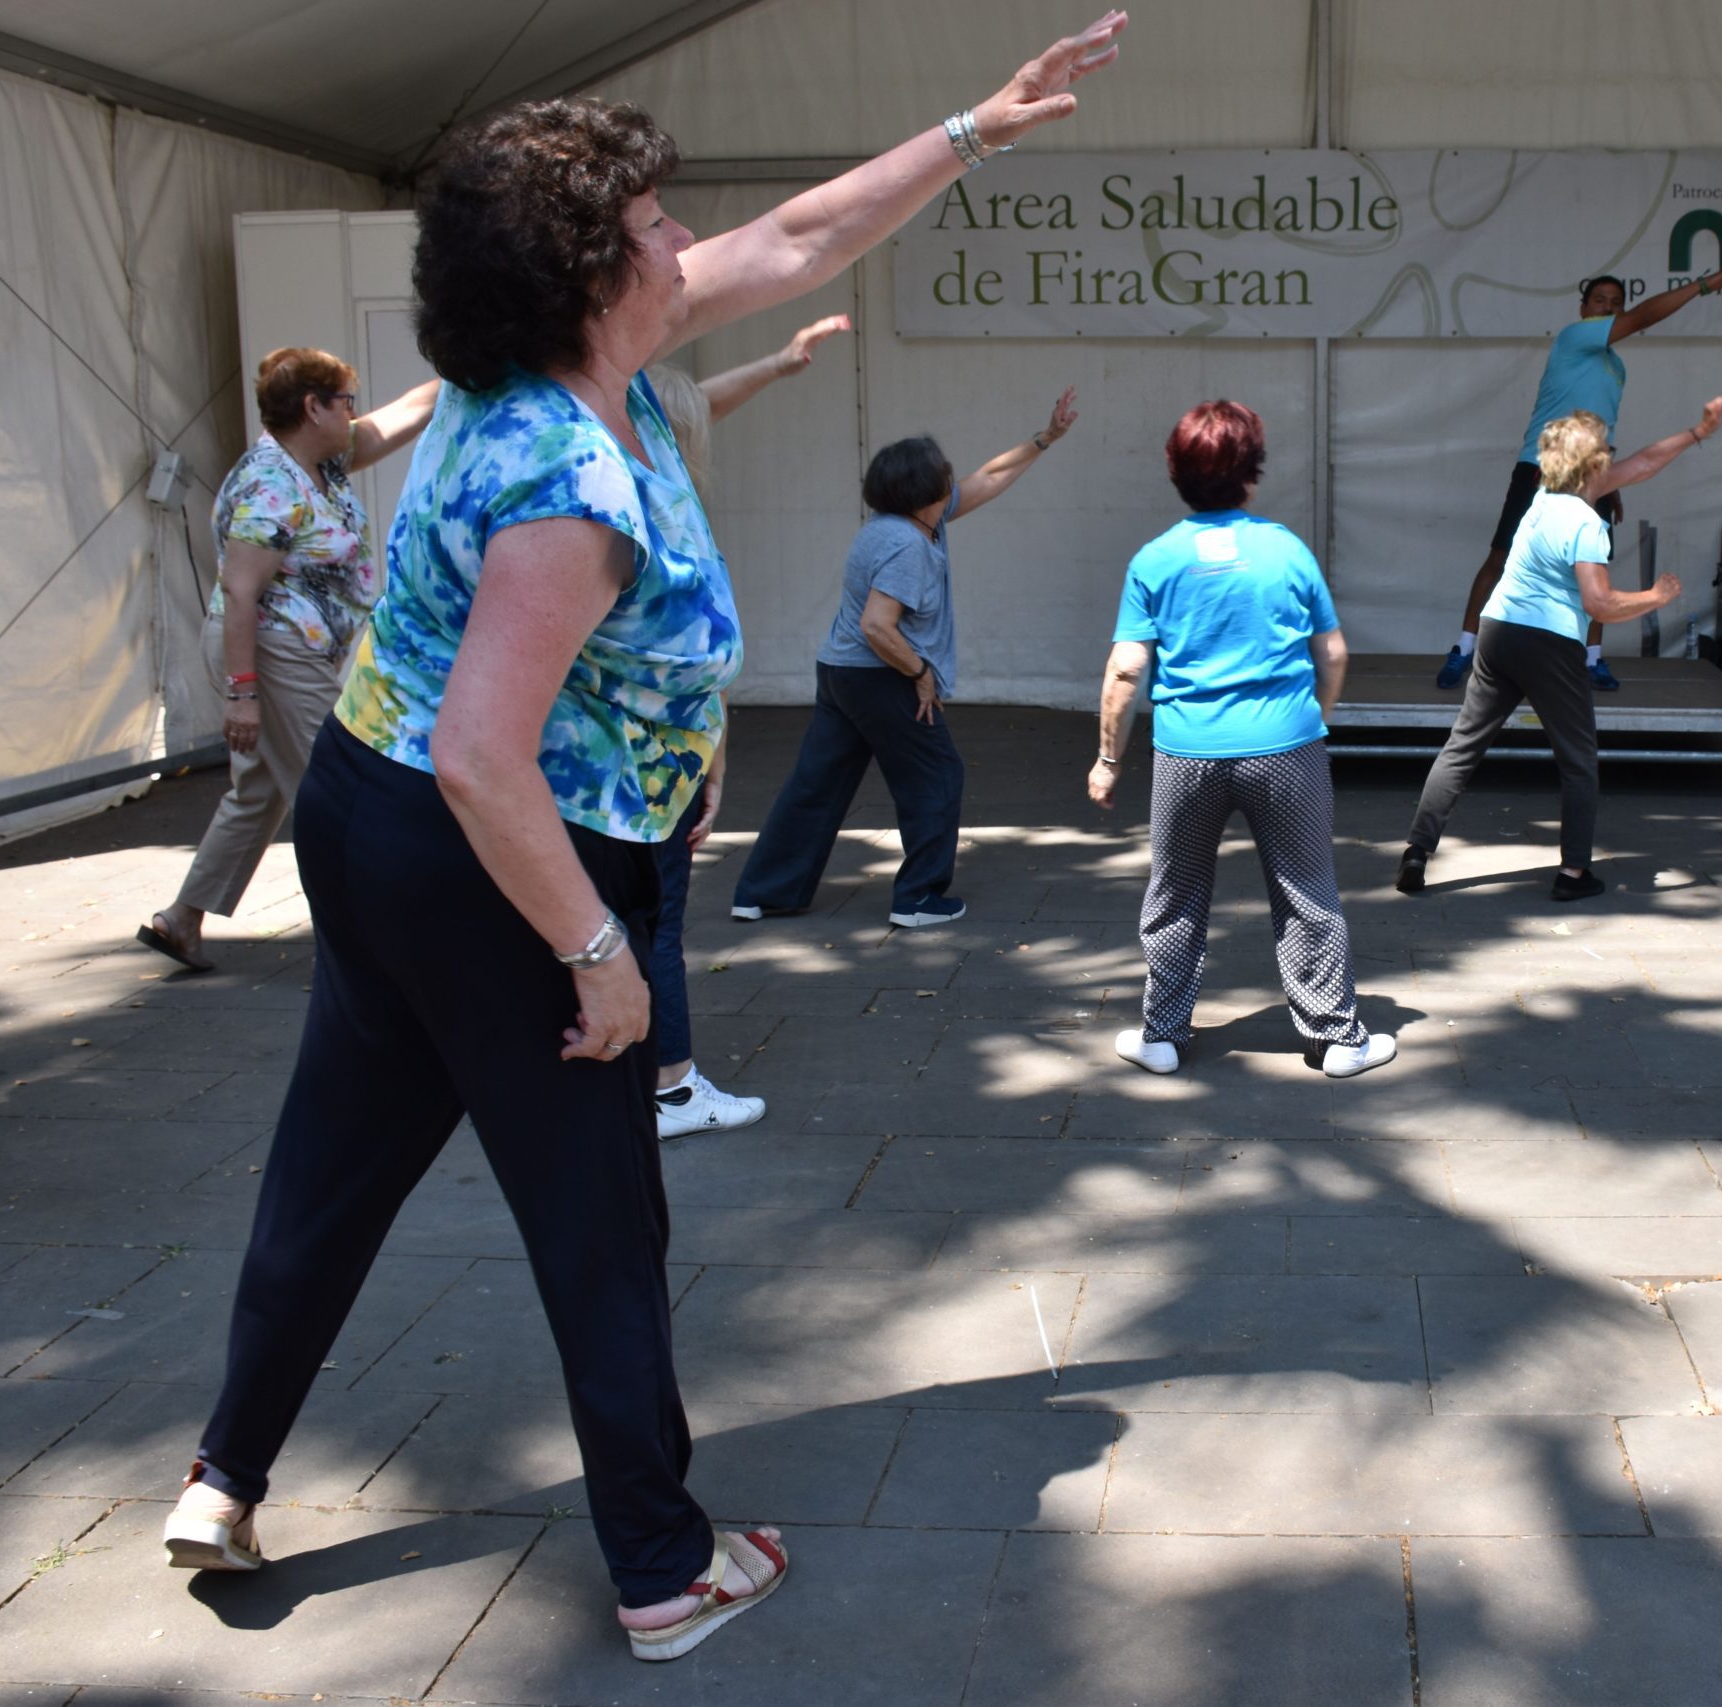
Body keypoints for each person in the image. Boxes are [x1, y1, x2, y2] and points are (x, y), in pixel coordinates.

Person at [161, 12, 1128, 1666]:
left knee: (335, 1166)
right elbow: (486, 754)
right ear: (586, 272)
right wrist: (602, 957)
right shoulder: (568, 481)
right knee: (598, 1211)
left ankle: (223, 1475)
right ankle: (665, 1567)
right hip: (489, 854)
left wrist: (979, 128)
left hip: (384, 829)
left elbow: (803, 231)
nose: (688, 236)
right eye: (654, 226)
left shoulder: (545, 371)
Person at [1089, 400, 1395, 1080]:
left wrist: (1108, 759)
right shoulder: (1287, 550)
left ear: (1176, 474)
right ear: (1250, 474)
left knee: (1174, 893)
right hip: (1286, 749)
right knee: (1307, 890)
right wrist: (1316, 716)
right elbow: (1335, 652)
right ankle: (1338, 1038)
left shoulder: (1155, 559)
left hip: (1187, 754)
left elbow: (1127, 668)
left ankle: (1163, 1036)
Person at [135, 351, 437, 972]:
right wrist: (241, 693)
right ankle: (367, 940)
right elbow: (241, 591)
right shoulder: (272, 483)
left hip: (293, 648)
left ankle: (182, 918)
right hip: (270, 651)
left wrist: (469, 373)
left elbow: (402, 415)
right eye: (346, 400)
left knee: (260, 791)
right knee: (337, 789)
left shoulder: (320, 460)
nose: (355, 412)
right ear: (313, 407)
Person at [729, 393, 1077, 930]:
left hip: (841, 673)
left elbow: (989, 477)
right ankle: (917, 899)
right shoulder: (906, 545)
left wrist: (1044, 437)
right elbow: (877, 625)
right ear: (923, 491)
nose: (953, 476)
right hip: (881, 676)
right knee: (936, 776)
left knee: (817, 783)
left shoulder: (914, 523)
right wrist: (919, 674)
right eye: (943, 473)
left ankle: (763, 892)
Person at [639, 314, 848, 1138]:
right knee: (653, 922)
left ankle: (608, 1075)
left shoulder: (592, 484)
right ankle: (671, 1087)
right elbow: (702, 662)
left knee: (602, 922)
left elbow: (689, 405)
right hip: (651, 766)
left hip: (590, 765)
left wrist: (775, 361)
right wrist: (713, 763)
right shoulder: (666, 523)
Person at [1398, 398, 1722, 902]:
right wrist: (1655, 598)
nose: (1619, 457)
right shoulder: (1587, 523)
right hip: (1548, 642)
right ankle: (1573, 875)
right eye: (1609, 450)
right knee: (1578, 759)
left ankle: (1416, 854)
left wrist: (1696, 433)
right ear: (1594, 464)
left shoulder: (1544, 499)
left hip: (1499, 628)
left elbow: (1644, 463)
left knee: (1463, 746)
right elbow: (1600, 603)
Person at [1436, 262, 1722, 694]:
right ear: (1583, 308)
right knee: (1501, 558)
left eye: (1616, 304)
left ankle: (1592, 659)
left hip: (1589, 476)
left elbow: (1605, 430)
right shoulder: (1574, 338)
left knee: (1593, 567)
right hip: (1538, 466)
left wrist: (1607, 482)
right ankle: (1464, 649)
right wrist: (1705, 285)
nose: (1608, 308)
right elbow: (1645, 318)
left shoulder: (1617, 367)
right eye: (1600, 301)